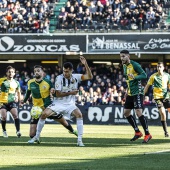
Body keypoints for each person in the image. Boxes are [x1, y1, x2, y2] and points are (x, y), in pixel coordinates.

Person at [28, 56, 93, 146]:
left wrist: (85, 64)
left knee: (79, 115)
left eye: (67, 71)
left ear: (71, 71)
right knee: (44, 114)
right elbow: (58, 94)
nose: (65, 73)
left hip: (70, 104)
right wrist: (71, 92)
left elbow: (90, 76)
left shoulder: (76, 77)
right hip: (58, 103)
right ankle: (37, 137)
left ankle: (79, 140)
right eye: (64, 71)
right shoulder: (59, 78)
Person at [21, 65, 77, 140]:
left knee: (63, 121)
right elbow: (28, 94)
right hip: (37, 109)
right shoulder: (30, 82)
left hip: (48, 108)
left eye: (38, 71)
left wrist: (53, 92)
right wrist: (23, 101)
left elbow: (54, 93)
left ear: (42, 72)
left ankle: (72, 130)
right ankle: (36, 138)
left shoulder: (48, 82)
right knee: (31, 135)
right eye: (35, 71)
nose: (36, 72)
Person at [120, 50, 152, 143]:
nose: (121, 58)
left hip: (137, 92)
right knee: (126, 113)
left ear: (128, 56)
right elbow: (128, 81)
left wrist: (135, 77)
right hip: (130, 93)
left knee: (138, 112)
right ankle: (137, 132)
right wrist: (126, 92)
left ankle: (147, 134)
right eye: (120, 56)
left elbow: (144, 75)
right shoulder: (124, 66)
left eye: (123, 56)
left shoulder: (135, 65)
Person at [144, 62, 170, 137]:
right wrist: (143, 95)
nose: (158, 68)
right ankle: (166, 132)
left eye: (160, 67)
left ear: (163, 68)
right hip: (157, 98)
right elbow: (147, 86)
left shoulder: (167, 76)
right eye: (157, 67)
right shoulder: (153, 76)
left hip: (166, 97)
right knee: (162, 112)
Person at [0, 66, 22, 138]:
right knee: (4, 117)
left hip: (12, 101)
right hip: (2, 102)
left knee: (15, 115)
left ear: (14, 73)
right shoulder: (2, 80)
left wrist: (20, 101)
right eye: (9, 72)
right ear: (6, 73)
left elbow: (19, 93)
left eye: (12, 72)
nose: (10, 73)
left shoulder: (16, 82)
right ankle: (4, 131)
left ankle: (18, 131)